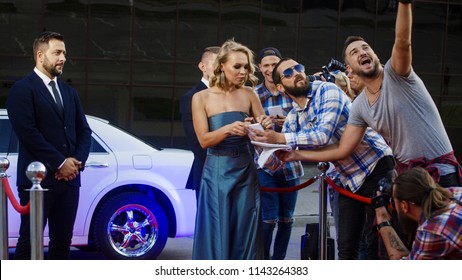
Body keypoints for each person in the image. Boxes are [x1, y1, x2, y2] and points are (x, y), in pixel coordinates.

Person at [281, 1, 461, 187]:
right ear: (349, 69)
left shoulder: (397, 74)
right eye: (354, 52)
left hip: (441, 173)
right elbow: (342, 149)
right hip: (409, 181)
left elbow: (403, 42)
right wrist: (296, 155)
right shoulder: (359, 106)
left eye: (366, 48)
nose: (362, 52)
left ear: (376, 56)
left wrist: (404, 4)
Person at [252, 57, 395, 259]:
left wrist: (280, 137)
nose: (296, 73)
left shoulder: (327, 90)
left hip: (375, 165)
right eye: (288, 73)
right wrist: (259, 139)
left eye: (298, 67)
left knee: (372, 244)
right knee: (346, 247)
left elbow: (322, 136)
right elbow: (277, 163)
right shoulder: (293, 117)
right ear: (281, 87)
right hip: (347, 178)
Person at [6, 31, 92, 259]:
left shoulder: (69, 92)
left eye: (64, 53)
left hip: (70, 182)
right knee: (29, 242)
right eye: (57, 53)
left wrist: (75, 164)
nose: (63, 57)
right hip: (37, 182)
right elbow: (29, 134)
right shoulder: (22, 89)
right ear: (40, 55)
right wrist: (60, 163)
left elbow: (84, 131)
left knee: (63, 242)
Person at [191, 39, 272, 260]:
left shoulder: (249, 94)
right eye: (237, 66)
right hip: (217, 170)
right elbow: (204, 141)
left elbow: (262, 130)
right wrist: (228, 129)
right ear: (221, 66)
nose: (243, 71)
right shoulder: (201, 98)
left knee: (247, 229)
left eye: (246, 67)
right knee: (218, 229)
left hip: (246, 169)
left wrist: (265, 124)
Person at [254, 47, 304, 260]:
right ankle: (263, 263)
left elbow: (308, 125)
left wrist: (290, 123)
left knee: (287, 220)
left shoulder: (292, 90)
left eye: (273, 64)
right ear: (259, 68)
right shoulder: (254, 94)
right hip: (266, 164)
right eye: (265, 65)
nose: (269, 69)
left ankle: (278, 264)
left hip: (291, 163)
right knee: (268, 220)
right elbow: (250, 130)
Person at [375, 167, 462, 260]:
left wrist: (382, 220)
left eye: (393, 201)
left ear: (404, 206)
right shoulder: (455, 191)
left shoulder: (432, 231)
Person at [180, 46, 220, 200]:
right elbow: (196, 143)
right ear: (202, 66)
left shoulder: (234, 95)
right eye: (217, 64)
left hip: (235, 173)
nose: (221, 69)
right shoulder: (191, 97)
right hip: (207, 171)